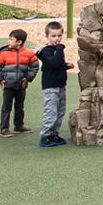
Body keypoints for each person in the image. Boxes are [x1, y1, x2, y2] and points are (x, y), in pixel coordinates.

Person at [0, 28, 40, 138]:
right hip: (8, 85)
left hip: (21, 86)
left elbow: (35, 67)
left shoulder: (29, 54)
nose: (9, 41)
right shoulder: (3, 54)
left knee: (19, 106)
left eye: (11, 39)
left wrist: (27, 78)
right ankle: (4, 128)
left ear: (19, 42)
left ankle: (19, 126)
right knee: (6, 107)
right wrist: (0, 80)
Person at [36, 20, 73, 148]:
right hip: (51, 87)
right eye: (53, 36)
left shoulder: (55, 49)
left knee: (60, 111)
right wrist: (60, 48)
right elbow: (53, 63)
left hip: (60, 85)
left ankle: (53, 134)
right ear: (47, 36)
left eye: (59, 35)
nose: (57, 38)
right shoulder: (46, 50)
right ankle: (45, 136)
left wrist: (66, 66)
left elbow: (57, 65)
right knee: (51, 112)